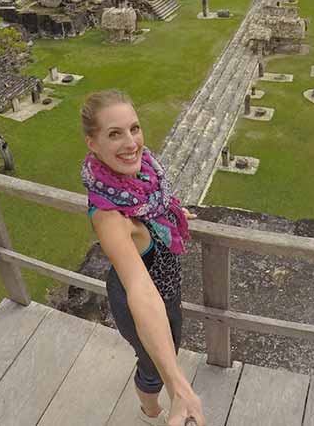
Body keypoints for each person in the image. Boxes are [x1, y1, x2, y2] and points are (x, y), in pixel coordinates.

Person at [81, 90, 205, 426]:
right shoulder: (110, 218)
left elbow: (155, 203)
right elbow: (140, 288)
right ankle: (150, 412)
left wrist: (173, 211)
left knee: (170, 347)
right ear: (93, 143)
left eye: (134, 129)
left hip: (166, 289)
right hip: (142, 298)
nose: (131, 142)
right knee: (154, 365)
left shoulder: (145, 173)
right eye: (114, 134)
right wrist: (178, 385)